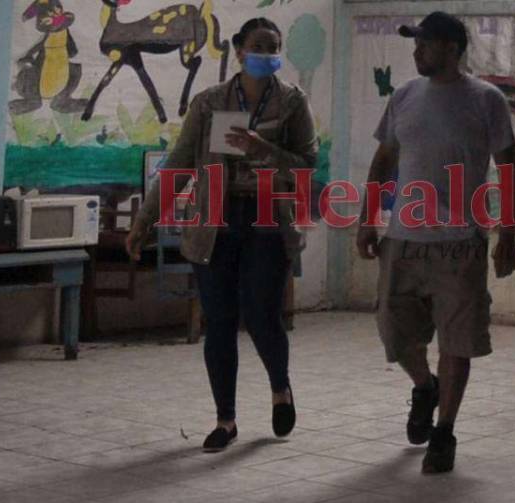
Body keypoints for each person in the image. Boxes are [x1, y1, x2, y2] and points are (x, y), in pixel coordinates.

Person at [126, 17, 318, 452]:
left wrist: (264, 149)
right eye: (258, 46)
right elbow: (179, 164)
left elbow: (307, 165)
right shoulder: (209, 102)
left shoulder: (292, 103)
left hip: (268, 217)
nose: (266, 54)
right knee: (220, 321)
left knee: (262, 314)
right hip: (214, 220)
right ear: (238, 49)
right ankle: (225, 420)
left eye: (273, 47)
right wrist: (145, 221)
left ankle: (280, 388)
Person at [356, 11, 515, 474]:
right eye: (416, 43)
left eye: (424, 43)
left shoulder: (486, 100)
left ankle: (444, 432)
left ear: (452, 48)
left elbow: (508, 169)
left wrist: (508, 234)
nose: (417, 51)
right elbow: (384, 160)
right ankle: (425, 386)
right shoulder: (405, 96)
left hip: (460, 242)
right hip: (403, 239)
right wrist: (367, 219)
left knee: (457, 339)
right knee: (394, 331)